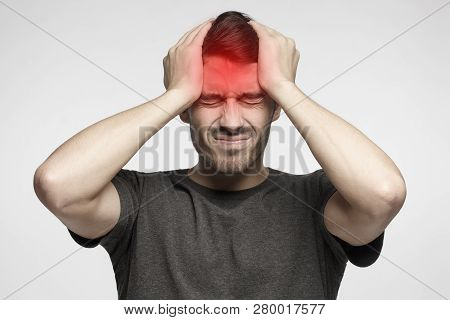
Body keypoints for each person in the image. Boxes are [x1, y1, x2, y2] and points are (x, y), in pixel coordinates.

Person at [33, 11, 406, 299]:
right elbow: (57, 184)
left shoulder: (319, 202)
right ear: (186, 108)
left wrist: (284, 86)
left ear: (276, 107)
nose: (231, 121)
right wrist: (176, 93)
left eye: (252, 99)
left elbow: (384, 193)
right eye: (209, 99)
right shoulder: (139, 203)